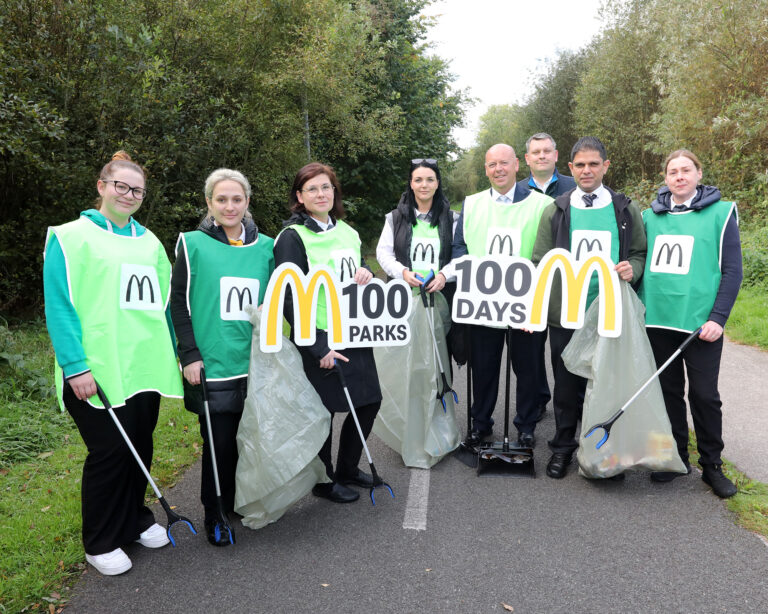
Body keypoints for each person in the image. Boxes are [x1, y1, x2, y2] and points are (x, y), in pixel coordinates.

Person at [43, 151, 183, 576]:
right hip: (97, 368)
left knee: (140, 444)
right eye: (120, 186)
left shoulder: (150, 241)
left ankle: (134, 520)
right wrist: (75, 365)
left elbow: (164, 304)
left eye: (136, 190)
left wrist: (177, 351)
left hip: (144, 364)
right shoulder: (69, 236)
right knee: (108, 451)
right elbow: (60, 305)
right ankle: (101, 539)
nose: (128, 194)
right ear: (102, 186)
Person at [532, 136, 646, 479]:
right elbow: (540, 260)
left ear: (605, 166)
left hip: (610, 311)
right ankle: (564, 446)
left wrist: (632, 269)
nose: (586, 170)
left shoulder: (625, 209)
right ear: (570, 168)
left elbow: (639, 254)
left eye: (593, 164)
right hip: (567, 313)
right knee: (566, 384)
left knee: (607, 381)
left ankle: (603, 450)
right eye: (579, 165)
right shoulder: (556, 209)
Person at [170, 169, 274, 544]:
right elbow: (178, 306)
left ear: (247, 202)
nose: (230, 206)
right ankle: (215, 513)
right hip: (212, 363)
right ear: (209, 203)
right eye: (221, 199)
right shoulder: (192, 243)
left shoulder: (268, 247)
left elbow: (281, 300)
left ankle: (239, 502)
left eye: (237, 199)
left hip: (256, 362)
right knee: (219, 445)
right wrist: (189, 354)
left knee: (249, 441)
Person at [273, 162, 383, 504]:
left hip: (356, 330)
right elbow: (289, 297)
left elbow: (352, 269)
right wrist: (317, 347)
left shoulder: (348, 232)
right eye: (312, 189)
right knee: (324, 411)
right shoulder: (292, 238)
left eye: (326, 187)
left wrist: (365, 271)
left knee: (368, 400)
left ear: (334, 192)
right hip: (318, 335)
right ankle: (323, 479)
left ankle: (347, 468)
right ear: (299, 197)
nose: (321, 194)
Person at [641, 150, 742, 498]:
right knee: (668, 394)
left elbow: (732, 270)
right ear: (666, 178)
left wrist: (718, 318)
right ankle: (675, 456)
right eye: (673, 171)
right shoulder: (648, 217)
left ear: (699, 173)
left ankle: (712, 465)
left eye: (686, 170)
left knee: (704, 395)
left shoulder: (721, 213)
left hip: (702, 326)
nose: (679, 176)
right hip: (658, 321)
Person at [451, 143, 553, 448]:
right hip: (483, 304)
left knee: (528, 367)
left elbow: (547, 253)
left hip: (526, 303)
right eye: (492, 164)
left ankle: (526, 425)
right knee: (483, 368)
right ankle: (480, 423)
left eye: (504, 163)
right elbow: (460, 248)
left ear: (517, 165)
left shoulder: (541, 204)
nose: (498, 169)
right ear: (486, 169)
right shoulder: (472, 204)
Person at [374, 158, 460, 467]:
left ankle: (436, 425)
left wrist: (444, 275)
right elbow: (383, 253)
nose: (424, 185)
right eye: (418, 180)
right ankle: (409, 429)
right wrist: (402, 273)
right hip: (403, 305)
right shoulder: (395, 218)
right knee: (408, 368)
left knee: (435, 367)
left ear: (438, 184)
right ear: (411, 184)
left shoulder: (452, 218)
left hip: (438, 304)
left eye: (430, 180)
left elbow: (462, 255)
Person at [524, 133, 577, 418]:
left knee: (563, 350)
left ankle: (569, 402)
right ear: (527, 159)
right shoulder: (518, 190)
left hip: (564, 286)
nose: (542, 155)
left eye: (547, 151)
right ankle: (539, 399)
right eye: (536, 152)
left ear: (556, 156)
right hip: (529, 283)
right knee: (531, 351)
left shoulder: (575, 186)